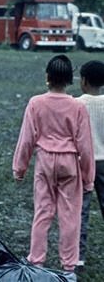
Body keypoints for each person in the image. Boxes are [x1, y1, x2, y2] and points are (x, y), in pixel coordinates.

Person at [13, 55, 95, 274]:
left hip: (45, 161)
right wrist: (89, 178)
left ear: (47, 77)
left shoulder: (35, 103)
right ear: (70, 79)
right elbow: (85, 146)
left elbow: (27, 139)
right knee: (70, 217)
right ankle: (69, 268)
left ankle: (36, 261)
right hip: (69, 162)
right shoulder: (77, 107)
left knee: (42, 212)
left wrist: (19, 169)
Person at [77, 60, 104, 271]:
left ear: (84, 81)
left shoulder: (76, 104)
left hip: (83, 162)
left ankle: (78, 257)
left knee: (81, 211)